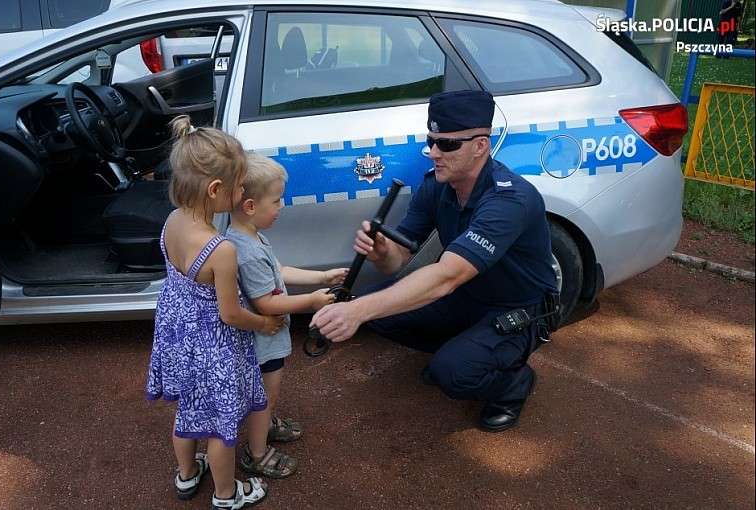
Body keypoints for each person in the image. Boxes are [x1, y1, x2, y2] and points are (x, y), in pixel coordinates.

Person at [311, 90, 558, 432]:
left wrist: (358, 310)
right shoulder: (438, 186)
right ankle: (466, 351)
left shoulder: (508, 200)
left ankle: (513, 384)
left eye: (447, 145)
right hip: (468, 295)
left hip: (514, 308)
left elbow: (446, 276)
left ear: (480, 146)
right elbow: (399, 262)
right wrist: (382, 251)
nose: (434, 153)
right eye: (431, 141)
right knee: (385, 316)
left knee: (451, 372)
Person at [145, 116, 285, 509]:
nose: (242, 193)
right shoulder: (220, 249)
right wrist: (266, 322)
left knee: (188, 412)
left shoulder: (173, 220)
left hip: (177, 335)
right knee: (221, 430)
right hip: (214, 347)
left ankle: (187, 476)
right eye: (239, 186)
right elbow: (231, 314)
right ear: (215, 189)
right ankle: (227, 495)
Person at [226, 153, 347, 477]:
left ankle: (263, 423)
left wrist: (322, 278)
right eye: (277, 201)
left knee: (264, 395)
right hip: (263, 342)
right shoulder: (247, 252)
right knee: (264, 396)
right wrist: (312, 301)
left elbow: (278, 272)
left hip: (264, 339)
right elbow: (266, 303)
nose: (281, 207)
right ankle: (257, 452)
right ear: (250, 206)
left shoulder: (246, 237)